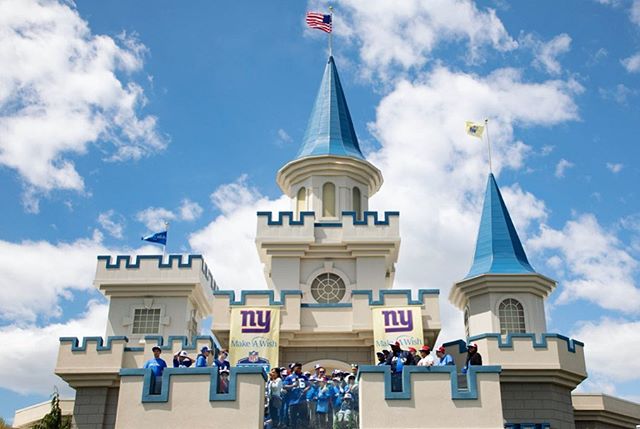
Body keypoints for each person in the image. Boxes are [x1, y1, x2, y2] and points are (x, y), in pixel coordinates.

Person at [283, 362, 310, 429]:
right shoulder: (289, 377)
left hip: (302, 401)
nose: (299, 369)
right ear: (294, 368)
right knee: (293, 420)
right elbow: (284, 386)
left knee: (304, 419)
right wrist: (293, 385)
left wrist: (306, 389)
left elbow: (309, 385)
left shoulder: (304, 377)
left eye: (300, 368)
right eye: (298, 368)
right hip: (292, 401)